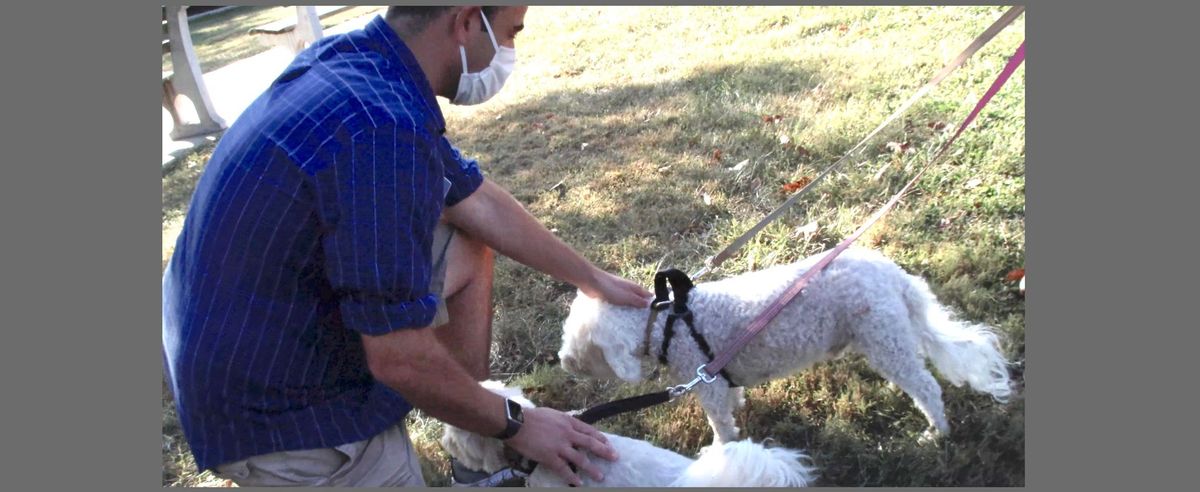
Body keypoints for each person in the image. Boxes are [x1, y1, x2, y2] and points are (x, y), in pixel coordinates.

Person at [161, 6, 653, 487]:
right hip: (272, 405)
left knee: (467, 245)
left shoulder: (364, 63)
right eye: (510, 33)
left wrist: (591, 278)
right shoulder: (381, 127)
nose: (509, 51)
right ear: (465, 21)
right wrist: (519, 424)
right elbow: (397, 354)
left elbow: (472, 198)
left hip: (231, 324)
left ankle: (471, 442)